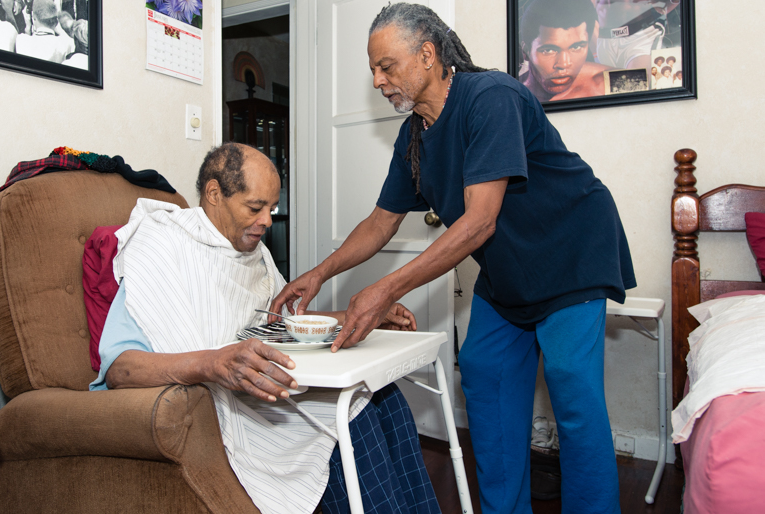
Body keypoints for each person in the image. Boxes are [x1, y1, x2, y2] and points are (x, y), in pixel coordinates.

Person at [271, 3, 635, 513]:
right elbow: (381, 222)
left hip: (571, 251)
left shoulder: (492, 97)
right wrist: (318, 273)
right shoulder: (413, 136)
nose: (377, 80)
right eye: (373, 69)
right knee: (484, 374)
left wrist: (385, 289)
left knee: (573, 391)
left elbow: (480, 220)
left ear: (427, 54)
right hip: (509, 271)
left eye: (386, 66)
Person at [91, 142, 441, 514]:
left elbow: (283, 326)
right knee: (354, 418)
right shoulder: (162, 248)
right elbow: (120, 369)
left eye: (270, 209)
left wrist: (362, 316)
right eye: (255, 207)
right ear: (214, 194)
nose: (267, 221)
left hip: (265, 388)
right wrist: (213, 364)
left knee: (386, 398)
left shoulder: (254, 252)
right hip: (226, 404)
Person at [520, 0, 610, 102]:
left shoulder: (605, 84)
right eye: (549, 50)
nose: (564, 64)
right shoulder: (512, 94)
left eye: (576, 48)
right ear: (526, 52)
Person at [593, 0, 680, 70]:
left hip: (640, 37)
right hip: (605, 40)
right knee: (608, 85)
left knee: (635, 83)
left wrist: (664, 9)